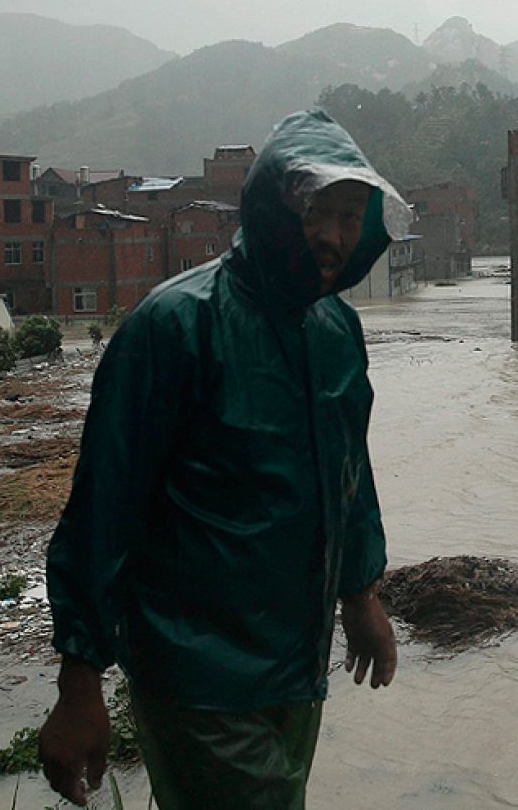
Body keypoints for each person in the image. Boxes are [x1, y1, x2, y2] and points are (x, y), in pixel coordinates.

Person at [39, 110, 412, 809]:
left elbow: (347, 474)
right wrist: (78, 683)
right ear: (272, 208)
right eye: (316, 213)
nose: (333, 236)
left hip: (297, 671)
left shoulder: (336, 328)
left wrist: (361, 595)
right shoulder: (175, 327)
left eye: (349, 216)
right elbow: (103, 509)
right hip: (197, 674)